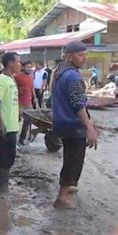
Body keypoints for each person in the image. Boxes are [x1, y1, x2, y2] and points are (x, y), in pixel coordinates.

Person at [52, 41, 98, 209]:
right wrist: (90, 127)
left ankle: (66, 189)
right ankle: (63, 197)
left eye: (85, 55)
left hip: (62, 122)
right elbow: (78, 104)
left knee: (69, 157)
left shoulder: (59, 72)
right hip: (73, 124)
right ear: (69, 56)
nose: (84, 58)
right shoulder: (73, 76)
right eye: (80, 55)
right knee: (75, 161)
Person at [0, 52, 21, 193]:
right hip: (6, 126)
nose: (20, 64)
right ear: (10, 63)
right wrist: (1, 124)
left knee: (2, 153)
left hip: (12, 124)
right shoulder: (1, 79)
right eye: (18, 62)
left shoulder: (11, 79)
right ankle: (2, 187)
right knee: (8, 156)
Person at [14, 61, 37, 145]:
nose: (29, 68)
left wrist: (35, 98)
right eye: (27, 67)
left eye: (30, 67)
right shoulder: (17, 76)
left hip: (28, 103)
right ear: (23, 67)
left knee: (27, 122)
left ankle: (22, 139)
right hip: (18, 103)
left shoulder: (31, 77)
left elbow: (32, 88)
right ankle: (13, 140)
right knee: (16, 122)